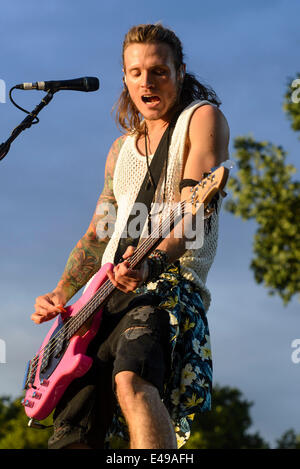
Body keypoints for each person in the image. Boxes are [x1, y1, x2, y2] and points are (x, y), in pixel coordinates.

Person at [31, 23, 230, 449]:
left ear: (179, 71)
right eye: (136, 72)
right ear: (124, 78)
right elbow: (99, 231)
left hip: (167, 285)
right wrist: (61, 291)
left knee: (132, 382)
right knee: (72, 431)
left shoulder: (201, 119)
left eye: (159, 70)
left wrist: (152, 262)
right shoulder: (120, 150)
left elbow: (195, 213)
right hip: (99, 299)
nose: (147, 81)